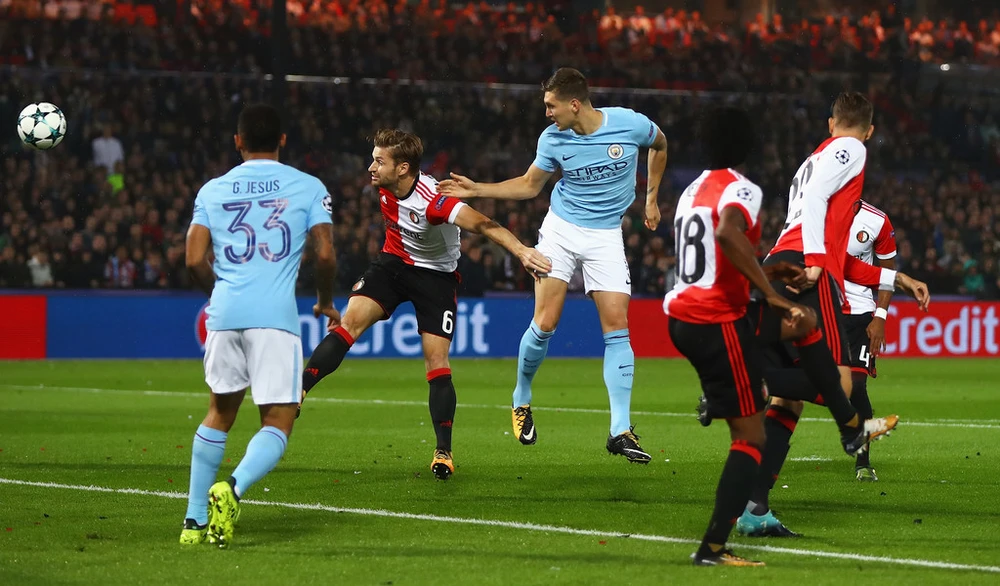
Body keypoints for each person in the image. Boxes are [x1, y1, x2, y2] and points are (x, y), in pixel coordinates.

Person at [439, 67, 669, 463]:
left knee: (617, 327)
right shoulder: (553, 139)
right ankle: (521, 397)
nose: (546, 112)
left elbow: (660, 144)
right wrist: (478, 189)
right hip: (562, 230)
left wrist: (651, 198)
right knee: (546, 322)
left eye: (551, 105)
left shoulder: (629, 124)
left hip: (605, 236)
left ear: (574, 103)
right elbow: (530, 186)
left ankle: (620, 429)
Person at [299, 128, 552, 480]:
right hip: (393, 265)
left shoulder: (434, 200)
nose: (370, 167)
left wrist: (522, 251)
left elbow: (485, 224)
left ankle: (443, 450)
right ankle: (298, 392)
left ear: (403, 169)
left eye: (379, 161)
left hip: (435, 278)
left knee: (436, 362)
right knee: (349, 322)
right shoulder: (384, 187)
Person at [736, 92, 914, 537]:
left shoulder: (813, 158)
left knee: (788, 402)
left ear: (830, 121)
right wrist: (816, 260)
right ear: (867, 129)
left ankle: (755, 508)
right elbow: (816, 203)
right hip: (806, 269)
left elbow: (823, 220)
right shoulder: (852, 148)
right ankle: (743, 380)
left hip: (780, 262)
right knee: (842, 379)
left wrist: (899, 279)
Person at [180, 104, 338, 548]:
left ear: (238, 141)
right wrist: (325, 301)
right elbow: (324, 253)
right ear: (283, 140)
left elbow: (193, 259)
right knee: (279, 419)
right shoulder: (308, 187)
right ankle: (231, 489)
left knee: (219, 412)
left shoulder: (212, 190)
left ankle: (192, 523)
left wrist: (220, 296)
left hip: (225, 315)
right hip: (275, 319)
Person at [665, 106, 812, 566]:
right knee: (751, 437)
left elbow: (715, 255)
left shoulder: (690, 191)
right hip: (714, 320)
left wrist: (764, 270)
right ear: (748, 144)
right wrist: (770, 292)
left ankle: (730, 392)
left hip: (681, 316)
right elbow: (729, 233)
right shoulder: (742, 188)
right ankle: (712, 548)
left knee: (749, 403)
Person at [843, 200, 897, 481]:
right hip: (825, 310)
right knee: (820, 384)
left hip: (861, 313)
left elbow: (887, 271)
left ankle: (863, 462)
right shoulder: (817, 206)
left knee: (857, 385)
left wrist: (881, 316)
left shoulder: (877, 220)